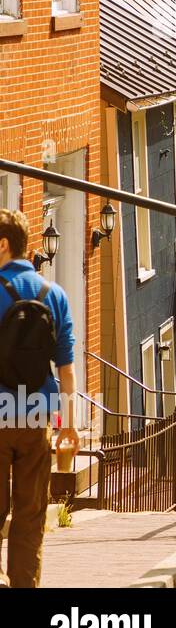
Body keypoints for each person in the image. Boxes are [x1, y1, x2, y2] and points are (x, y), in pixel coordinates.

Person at [0, 208, 77, 589]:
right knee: (30, 512)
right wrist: (70, 424)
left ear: (2, 244)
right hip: (36, 417)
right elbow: (66, 368)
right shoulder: (55, 295)